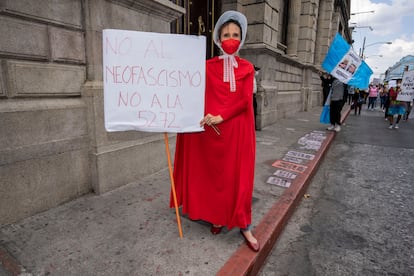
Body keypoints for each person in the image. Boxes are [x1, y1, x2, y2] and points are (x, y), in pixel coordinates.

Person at [171, 10, 260, 252]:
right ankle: (218, 217)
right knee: (215, 178)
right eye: (226, 34)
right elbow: (190, 90)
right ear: (218, 39)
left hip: (237, 133)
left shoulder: (248, 67)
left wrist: (221, 116)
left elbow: (243, 102)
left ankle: (245, 224)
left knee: (238, 178)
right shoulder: (206, 67)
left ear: (241, 38)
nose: (231, 39)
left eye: (235, 34)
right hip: (210, 133)